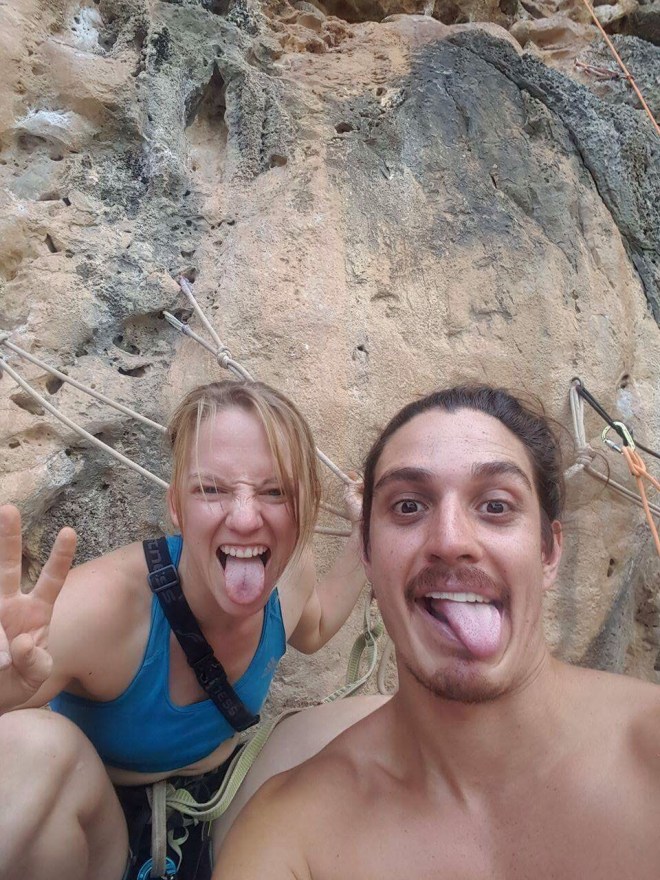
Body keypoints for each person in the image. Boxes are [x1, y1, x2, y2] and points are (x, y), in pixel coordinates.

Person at [215, 384, 660, 879]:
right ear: (366, 555)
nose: (450, 541)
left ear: (549, 552)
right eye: (408, 506)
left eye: (495, 506)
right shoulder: (291, 833)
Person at [0, 379, 369, 880]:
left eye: (275, 491)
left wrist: (363, 534)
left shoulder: (291, 575)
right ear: (176, 506)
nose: (245, 518)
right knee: (28, 744)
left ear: (304, 506)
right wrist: (7, 688)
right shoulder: (101, 607)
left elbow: (316, 627)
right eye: (211, 489)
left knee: (386, 724)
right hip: (100, 829)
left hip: (223, 804)